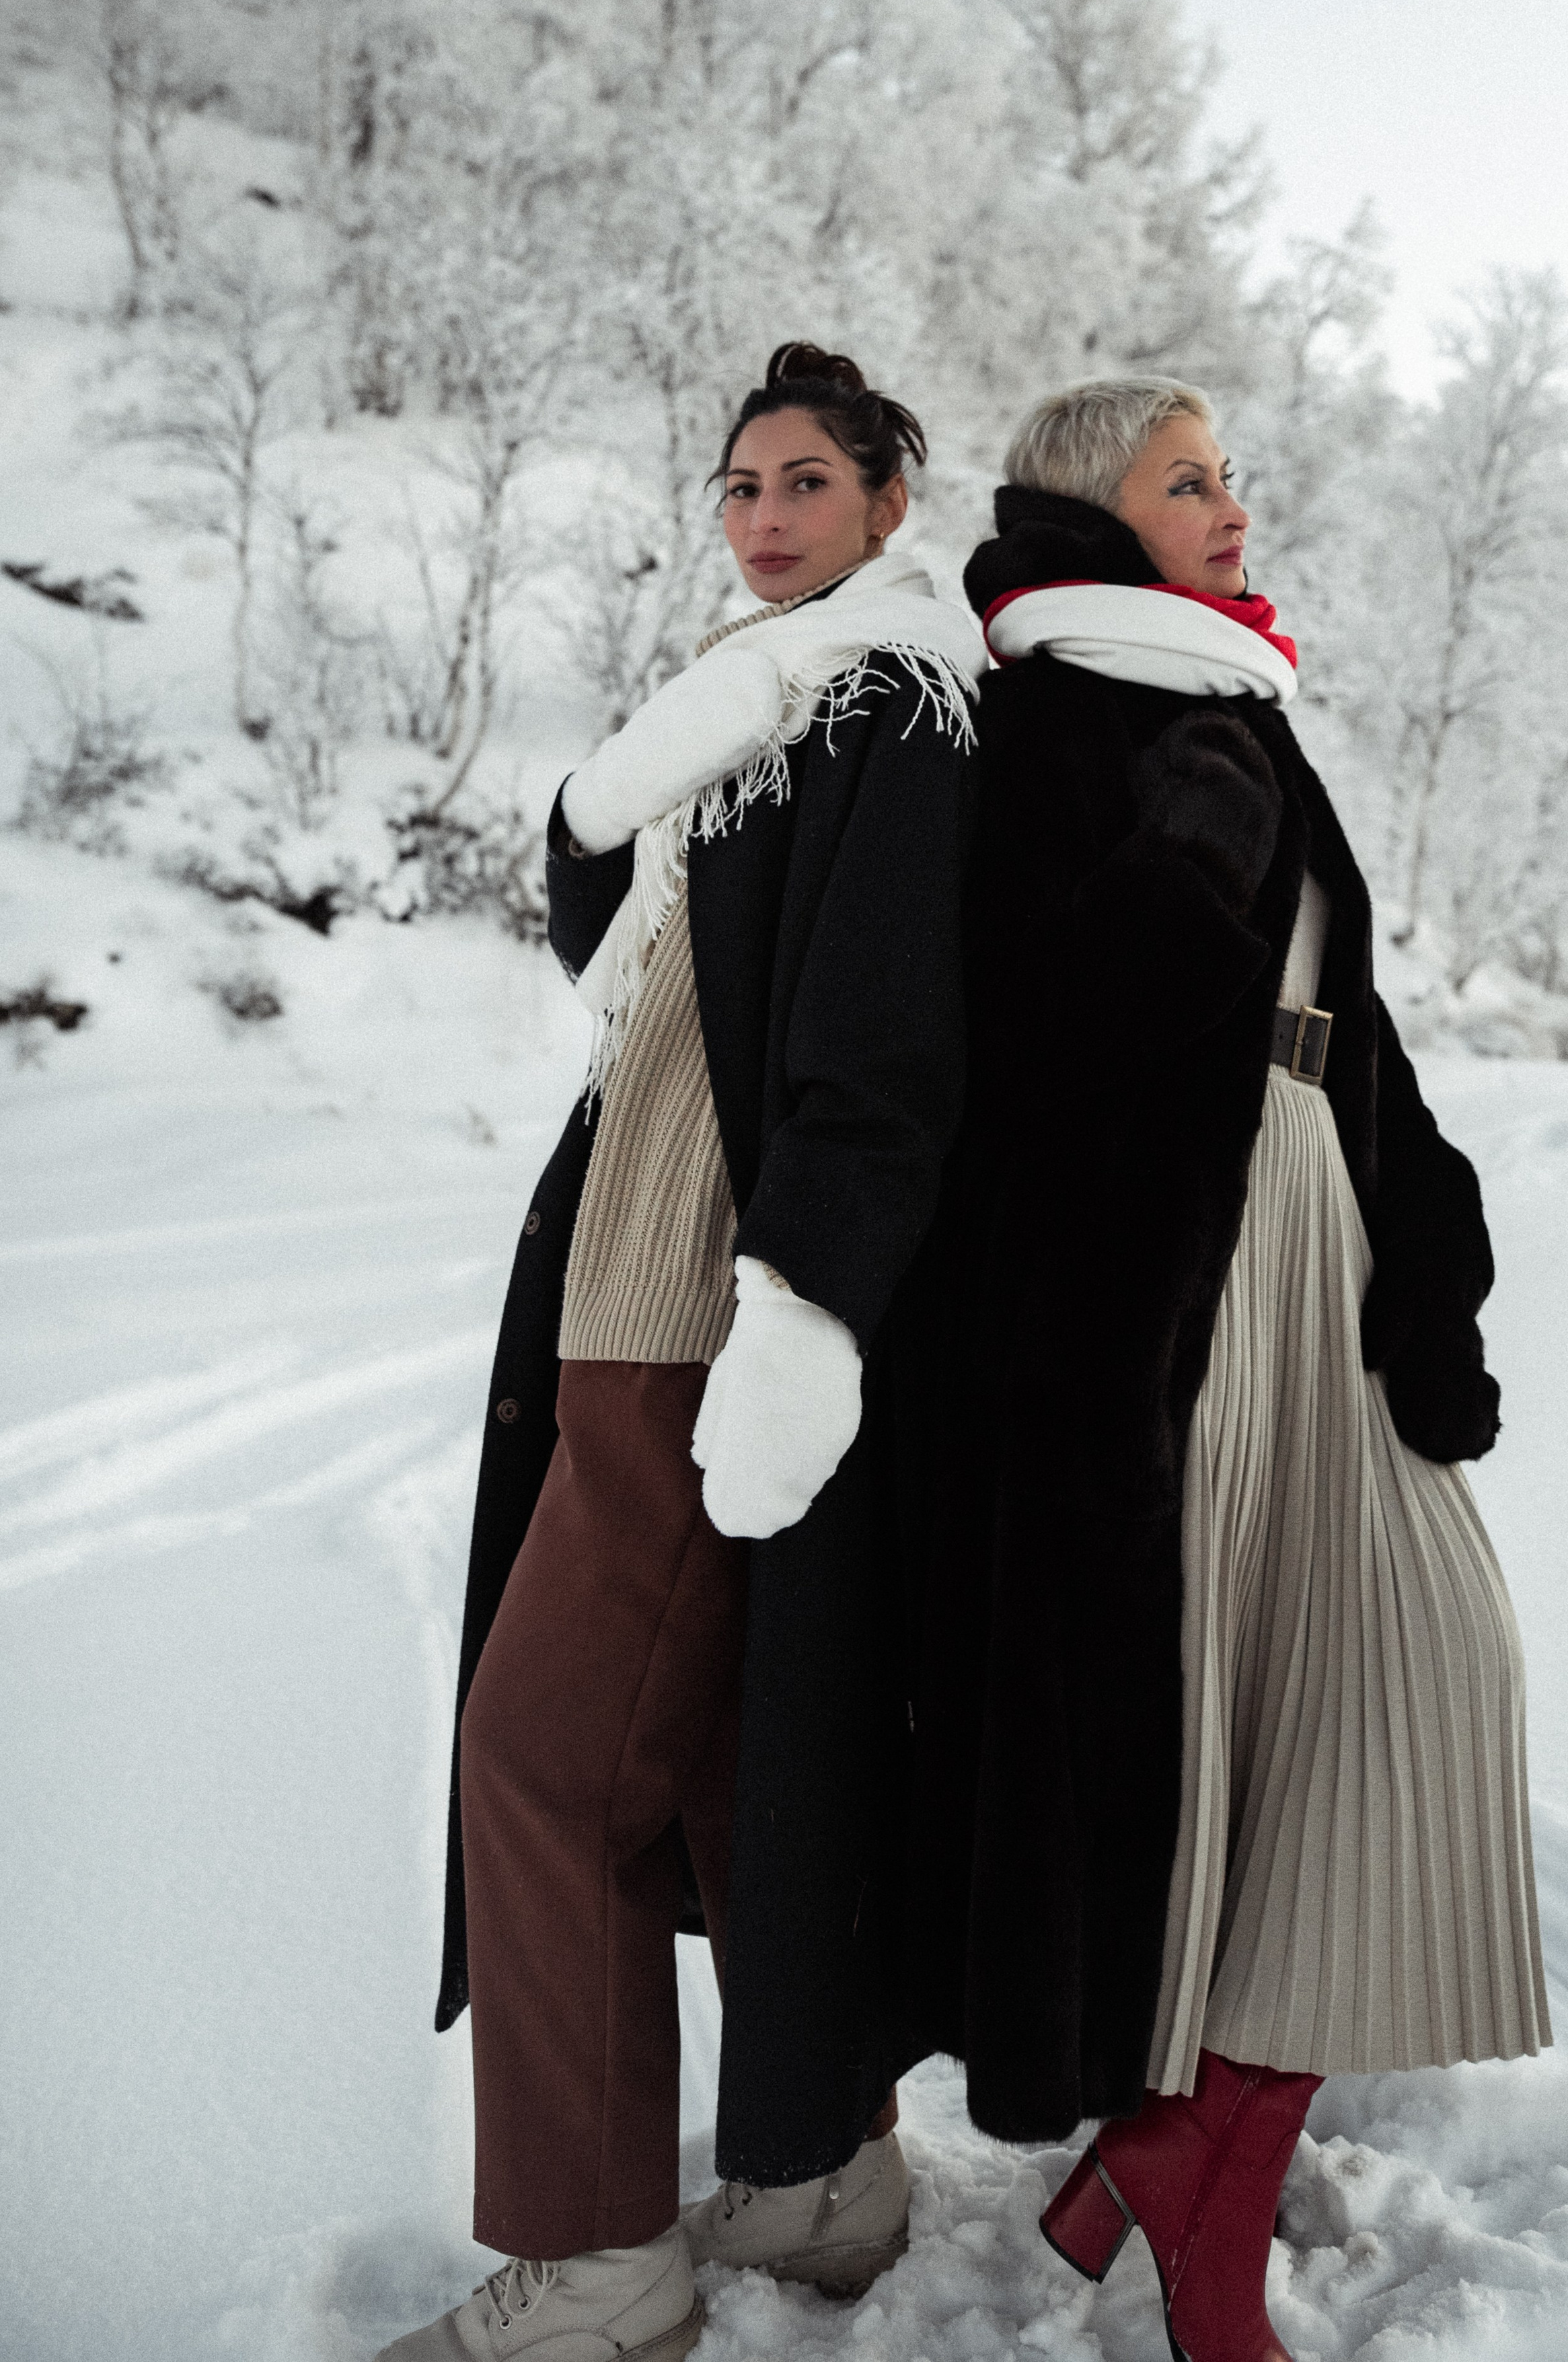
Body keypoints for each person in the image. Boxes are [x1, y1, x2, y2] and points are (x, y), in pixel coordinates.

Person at [907, 377, 1549, 2362]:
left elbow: (1352, 1022)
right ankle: (1191, 2172)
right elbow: (1034, 1038)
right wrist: (1190, 850)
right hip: (1153, 1295)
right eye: (1190, 477)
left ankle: (1177, 2145)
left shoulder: (1227, 701)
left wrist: (1430, 1263)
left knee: (1434, 1663)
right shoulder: (1038, 711)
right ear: (1089, 506)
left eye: (1232, 471)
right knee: (1242, 1742)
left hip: (1309, 1245)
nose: (1234, 503)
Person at [383, 344, 983, 2362]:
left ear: (895, 501)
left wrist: (797, 1315)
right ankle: (816, 2169)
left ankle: (596, 2252)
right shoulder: (757, 714)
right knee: (731, 1755)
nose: (763, 516)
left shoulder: (892, 703)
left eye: (806, 479)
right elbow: (621, 965)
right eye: (737, 485)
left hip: (706, 1317)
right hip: (633, 1296)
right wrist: (605, 787)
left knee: (538, 1760)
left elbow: (879, 1055)